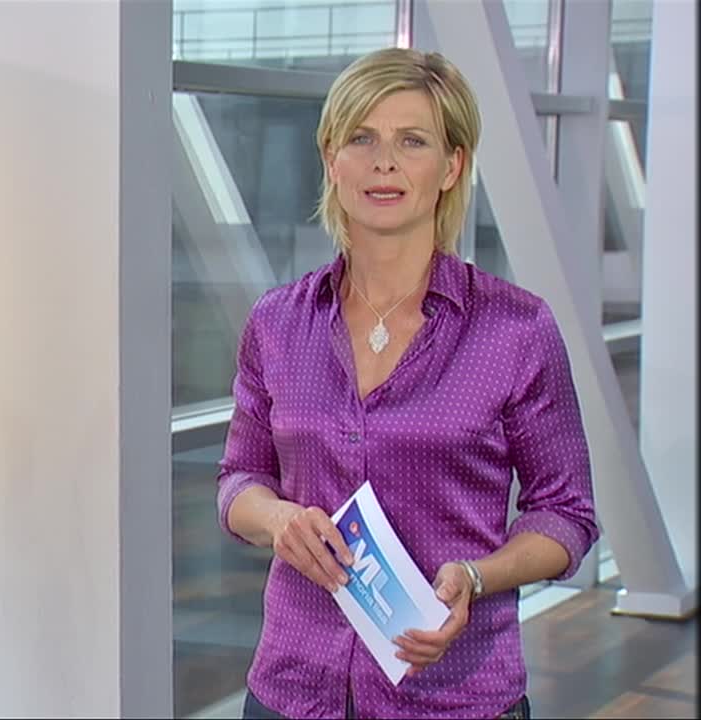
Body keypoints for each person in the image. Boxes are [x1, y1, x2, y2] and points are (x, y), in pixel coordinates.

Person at [216, 47, 598, 720]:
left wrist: (477, 577)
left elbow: (566, 513)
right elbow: (238, 480)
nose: (384, 162)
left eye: (412, 141)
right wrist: (278, 519)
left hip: (456, 696)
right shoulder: (277, 322)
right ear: (332, 159)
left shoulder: (516, 328)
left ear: (451, 166)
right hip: (292, 689)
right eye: (362, 138)